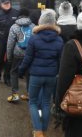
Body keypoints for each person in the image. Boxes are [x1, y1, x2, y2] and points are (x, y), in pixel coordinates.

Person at [19, 9, 63, 137]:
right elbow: (61, 60)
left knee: (32, 102)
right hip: (51, 76)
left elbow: (27, 58)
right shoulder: (59, 40)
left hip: (36, 75)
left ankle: (38, 131)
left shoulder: (34, 38)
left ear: (40, 22)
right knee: (46, 102)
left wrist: (21, 70)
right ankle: (43, 129)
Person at [6, 8, 35, 103]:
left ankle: (15, 95)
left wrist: (9, 57)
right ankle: (30, 95)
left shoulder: (14, 27)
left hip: (17, 54)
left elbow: (10, 44)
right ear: (28, 15)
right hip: (30, 55)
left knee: (14, 72)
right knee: (29, 74)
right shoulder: (34, 26)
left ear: (19, 16)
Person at [0, 0, 19, 85]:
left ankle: (7, 78)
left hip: (13, 40)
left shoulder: (16, 13)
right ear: (1, 5)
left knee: (9, 60)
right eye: (5, 3)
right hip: (2, 40)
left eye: (8, 3)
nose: (7, 5)